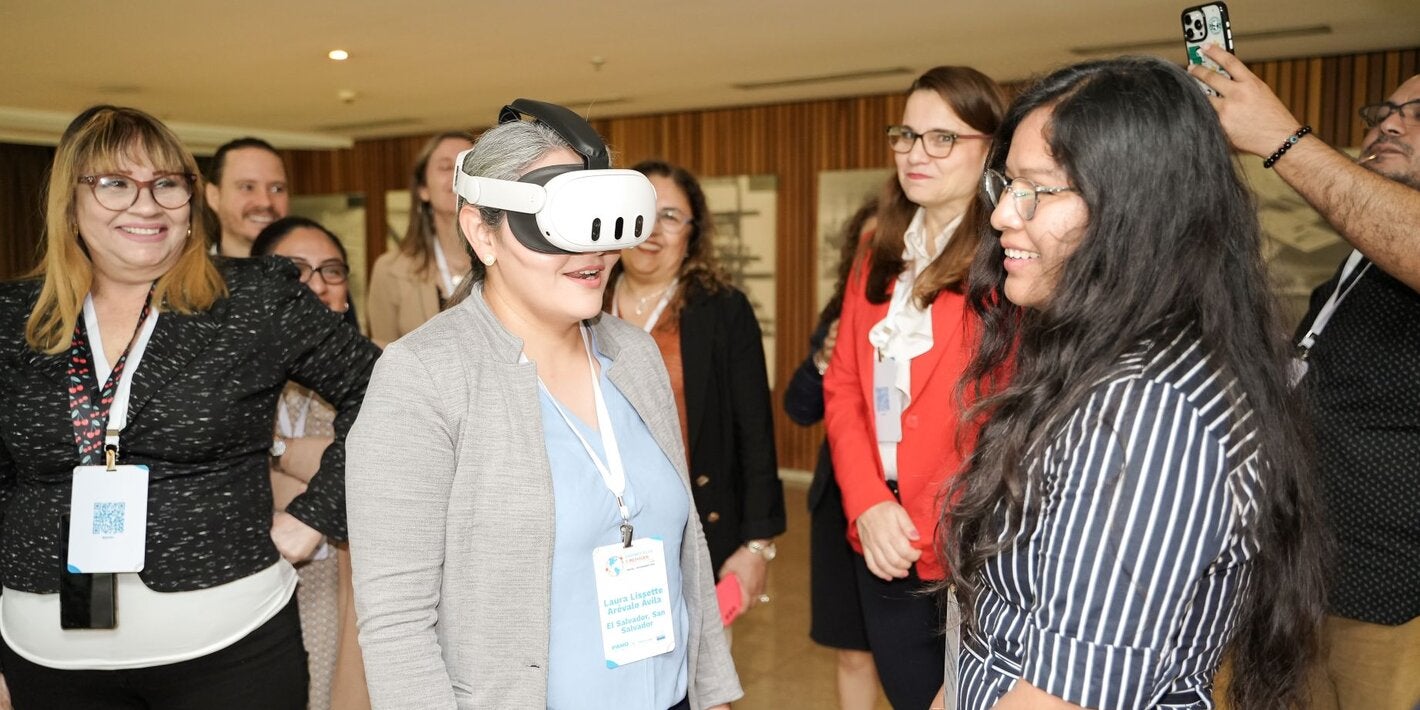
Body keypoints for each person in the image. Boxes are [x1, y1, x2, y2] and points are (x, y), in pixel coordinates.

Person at [945, 57, 1326, 710]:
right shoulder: (1091, 359)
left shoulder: (1147, 413)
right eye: (1007, 184)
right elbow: (995, 638)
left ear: (1136, 211)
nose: (1004, 215)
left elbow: (1067, 695)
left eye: (1039, 189)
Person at [346, 104, 741, 709]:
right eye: (561, 223)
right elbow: (397, 625)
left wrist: (711, 692)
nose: (592, 253)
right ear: (482, 231)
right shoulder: (422, 378)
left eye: (602, 224)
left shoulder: (634, 355)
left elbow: (686, 558)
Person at [0, 105, 377, 709]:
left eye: (166, 184)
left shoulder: (255, 298)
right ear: (68, 201)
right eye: (115, 183)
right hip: (46, 656)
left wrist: (317, 517)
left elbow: (386, 393)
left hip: (232, 648)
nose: (146, 206)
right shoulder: (10, 320)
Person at [1193, 48, 1420, 709]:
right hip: (1298, 584)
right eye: (1384, 111)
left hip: (1390, 602)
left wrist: (1282, 139)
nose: (1387, 124)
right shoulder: (1355, 274)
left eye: (1417, 113)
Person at [822, 65, 1006, 710]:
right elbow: (844, 384)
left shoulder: (1011, 253)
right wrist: (868, 503)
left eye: (942, 138)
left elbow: (1010, 408)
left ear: (991, 148)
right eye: (907, 134)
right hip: (883, 535)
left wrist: (928, 518)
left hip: (973, 543)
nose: (915, 154)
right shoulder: (879, 244)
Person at [604, 159, 785, 615]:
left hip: (697, 528)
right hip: (599, 528)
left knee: (697, 679)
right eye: (642, 211)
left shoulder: (722, 310)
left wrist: (757, 545)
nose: (653, 229)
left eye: (670, 216)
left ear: (692, 232)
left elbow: (755, 435)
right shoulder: (584, 297)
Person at [250, 216, 371, 710]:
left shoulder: (382, 372)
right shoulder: (233, 382)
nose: (317, 284)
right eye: (296, 269)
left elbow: (378, 459)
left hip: (342, 586)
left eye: (332, 270)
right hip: (255, 584)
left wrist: (277, 450)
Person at [782, 195, 882, 710]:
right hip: (839, 503)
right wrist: (827, 354)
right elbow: (799, 409)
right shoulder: (840, 311)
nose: (878, 253)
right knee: (852, 652)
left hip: (920, 507)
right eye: (867, 244)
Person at [366, 131, 476, 347]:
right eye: (445, 167)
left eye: (468, 164)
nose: (458, 175)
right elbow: (383, 360)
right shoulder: (389, 270)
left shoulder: (506, 263)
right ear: (423, 190)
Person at [205, 137, 290, 257]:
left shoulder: (312, 274)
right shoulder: (187, 274)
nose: (265, 202)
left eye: (277, 189)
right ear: (214, 196)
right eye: (247, 187)